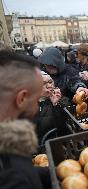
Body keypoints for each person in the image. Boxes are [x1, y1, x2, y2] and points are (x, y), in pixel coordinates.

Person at [0, 50, 46, 189]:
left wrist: (54, 173)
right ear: (21, 98)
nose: (37, 106)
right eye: (37, 99)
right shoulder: (13, 178)